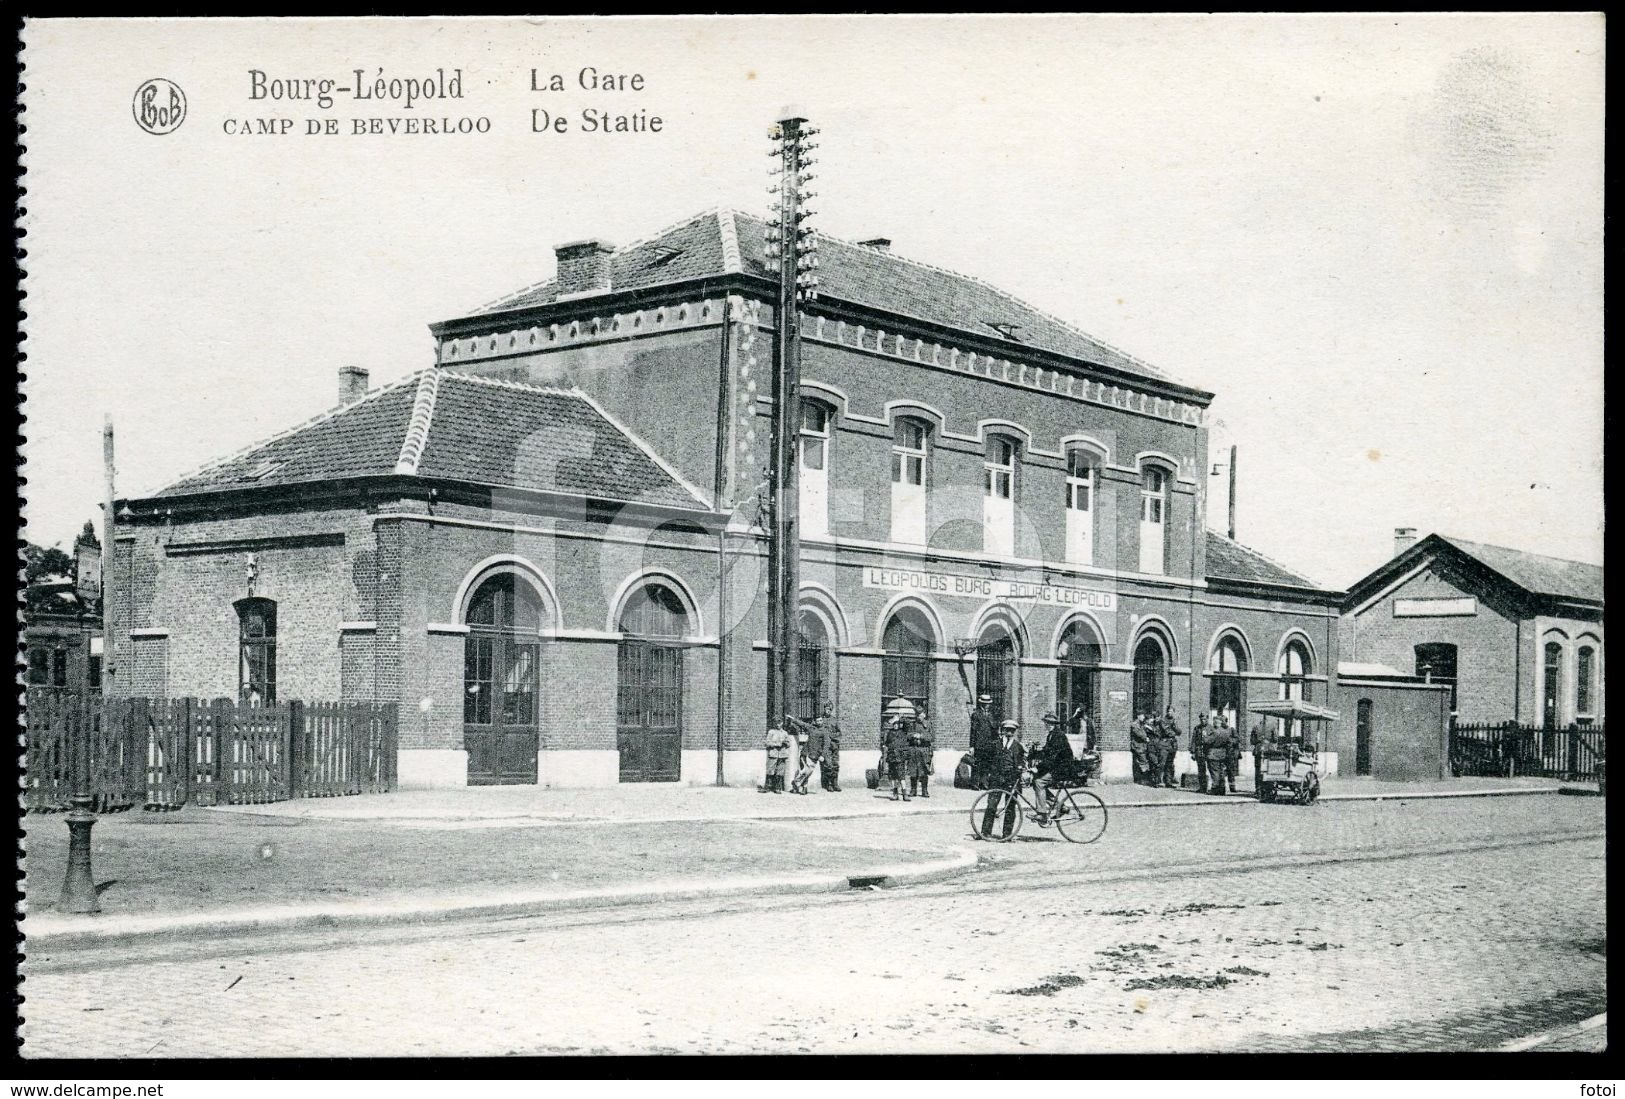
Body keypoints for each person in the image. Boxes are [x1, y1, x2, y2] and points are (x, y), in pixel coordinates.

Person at [977, 719, 1026, 839]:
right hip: (997, 779)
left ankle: (1007, 834)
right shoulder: (995, 745)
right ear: (1003, 731)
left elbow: (1020, 763)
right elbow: (987, 761)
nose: (1009, 733)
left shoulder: (1018, 747)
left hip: (1012, 780)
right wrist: (986, 775)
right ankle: (985, 832)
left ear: (1014, 732)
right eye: (1007, 730)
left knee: (1010, 807)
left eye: (1012, 730)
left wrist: (1020, 771)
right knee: (991, 805)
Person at [1031, 710, 1081, 820]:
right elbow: (1046, 752)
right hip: (1056, 767)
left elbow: (1052, 757)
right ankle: (1061, 807)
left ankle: (1042, 813)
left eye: (1050, 723)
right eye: (1046, 723)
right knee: (1036, 782)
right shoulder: (1051, 735)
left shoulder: (1058, 736)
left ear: (1054, 724)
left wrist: (1037, 768)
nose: (1047, 725)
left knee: (1039, 782)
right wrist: (1033, 754)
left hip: (1062, 769)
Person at [787, 712, 827, 796]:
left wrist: (822, 755)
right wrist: (792, 719)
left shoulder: (824, 731)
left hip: (814, 755)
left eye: (821, 720)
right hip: (805, 752)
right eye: (818, 721)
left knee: (808, 772)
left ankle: (796, 782)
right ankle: (803, 788)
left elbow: (826, 744)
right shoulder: (811, 728)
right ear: (815, 721)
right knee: (803, 770)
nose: (819, 722)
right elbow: (802, 724)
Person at [882, 715, 913, 801]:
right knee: (892, 777)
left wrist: (900, 718)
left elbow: (908, 723)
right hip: (892, 756)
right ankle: (895, 794)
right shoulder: (889, 733)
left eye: (897, 724)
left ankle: (904, 794)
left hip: (900, 757)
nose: (896, 725)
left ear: (900, 724)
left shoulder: (903, 732)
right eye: (894, 724)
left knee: (901, 776)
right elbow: (887, 743)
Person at [906, 706, 936, 798]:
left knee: (924, 771)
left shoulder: (928, 725)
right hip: (914, 750)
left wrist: (921, 736)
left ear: (924, 714)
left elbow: (932, 737)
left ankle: (924, 790)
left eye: (920, 714)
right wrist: (914, 735)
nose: (918, 716)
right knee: (913, 771)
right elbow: (908, 735)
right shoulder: (912, 724)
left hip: (924, 750)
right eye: (917, 715)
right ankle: (913, 790)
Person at [969, 695, 997, 789]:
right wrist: (972, 746)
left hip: (989, 744)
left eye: (989, 704)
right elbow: (973, 731)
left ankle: (984, 783)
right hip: (979, 744)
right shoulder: (976, 714)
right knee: (977, 764)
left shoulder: (991, 715)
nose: (988, 705)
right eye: (986, 704)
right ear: (982, 704)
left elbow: (994, 730)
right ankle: (974, 784)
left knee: (986, 764)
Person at [1204, 718, 1235, 796]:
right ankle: (1222, 788)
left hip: (1213, 754)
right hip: (1223, 754)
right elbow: (1229, 743)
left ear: (1215, 723)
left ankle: (1215, 788)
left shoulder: (1214, 732)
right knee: (1221, 772)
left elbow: (1207, 741)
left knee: (1214, 772)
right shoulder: (1226, 732)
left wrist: (1204, 736)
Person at [762, 723, 792, 794]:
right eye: (777, 723)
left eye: (780, 723)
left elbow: (789, 744)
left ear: (782, 724)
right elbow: (767, 743)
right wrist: (776, 744)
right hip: (773, 753)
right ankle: (767, 787)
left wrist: (786, 743)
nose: (778, 725)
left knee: (780, 771)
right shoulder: (771, 732)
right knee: (770, 770)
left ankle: (777, 788)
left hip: (782, 754)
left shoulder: (785, 733)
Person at [819, 705, 843, 791]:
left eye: (829, 709)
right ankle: (828, 784)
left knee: (835, 765)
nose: (827, 711)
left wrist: (832, 736)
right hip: (826, 747)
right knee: (828, 765)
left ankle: (835, 783)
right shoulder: (821, 720)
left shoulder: (834, 720)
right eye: (826, 709)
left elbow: (839, 733)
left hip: (834, 746)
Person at [1159, 707, 1181, 788]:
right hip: (1164, 744)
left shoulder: (1175, 721)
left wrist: (1175, 726)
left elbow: (1179, 732)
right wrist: (1174, 732)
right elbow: (1167, 732)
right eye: (1168, 711)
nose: (1170, 713)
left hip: (1172, 745)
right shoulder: (1163, 720)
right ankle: (1159, 781)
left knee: (1170, 763)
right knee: (1162, 763)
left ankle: (1168, 782)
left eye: (1171, 711)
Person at [1249, 716, 1269, 793]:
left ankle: (1258, 789)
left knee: (1258, 771)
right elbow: (1275, 739)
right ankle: (1266, 788)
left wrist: (1259, 740)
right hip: (1269, 751)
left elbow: (1252, 741)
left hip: (1258, 751)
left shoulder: (1255, 728)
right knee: (1267, 770)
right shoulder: (1272, 727)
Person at [1129, 716, 1151, 785]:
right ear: (1138, 716)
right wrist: (1145, 738)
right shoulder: (1135, 724)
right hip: (1138, 746)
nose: (1143, 717)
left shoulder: (1141, 724)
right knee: (1143, 762)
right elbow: (1138, 734)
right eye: (1142, 716)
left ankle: (1142, 779)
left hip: (1141, 746)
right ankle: (1143, 780)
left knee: (1142, 762)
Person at [1192, 712, 1210, 794]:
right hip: (1199, 750)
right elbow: (1193, 740)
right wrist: (1192, 752)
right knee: (1201, 770)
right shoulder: (1197, 728)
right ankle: (1202, 788)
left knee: (1211, 769)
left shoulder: (1211, 728)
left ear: (1207, 719)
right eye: (1201, 719)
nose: (1203, 721)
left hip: (1209, 751)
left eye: (1204, 719)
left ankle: (1214, 787)